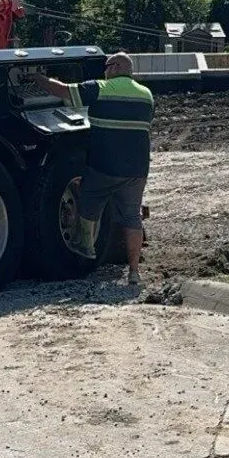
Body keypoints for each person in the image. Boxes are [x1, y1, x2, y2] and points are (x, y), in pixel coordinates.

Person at [46, 51, 154, 288]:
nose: (104, 70)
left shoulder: (102, 88)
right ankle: (134, 272)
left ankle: (86, 246)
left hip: (105, 166)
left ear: (114, 68)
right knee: (132, 217)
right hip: (137, 170)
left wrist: (40, 81)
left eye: (106, 67)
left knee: (87, 197)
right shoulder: (146, 95)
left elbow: (66, 91)